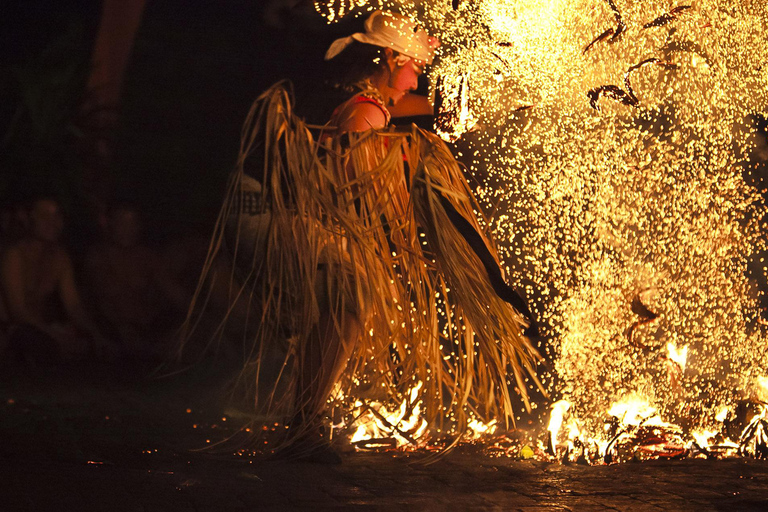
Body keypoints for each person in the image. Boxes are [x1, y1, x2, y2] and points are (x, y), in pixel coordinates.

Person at [182, 10, 541, 463]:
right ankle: (303, 425)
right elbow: (351, 188)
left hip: (265, 204)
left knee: (343, 294)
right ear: (391, 58)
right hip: (264, 208)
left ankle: (300, 411)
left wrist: (502, 96)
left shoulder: (370, 100)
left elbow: (424, 111)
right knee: (349, 288)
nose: (418, 78)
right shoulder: (365, 111)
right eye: (414, 67)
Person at [0, 195, 108, 364]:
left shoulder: (60, 257)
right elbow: (17, 311)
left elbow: (73, 305)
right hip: (13, 327)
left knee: (88, 343)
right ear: (28, 218)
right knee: (44, 345)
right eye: (44, 216)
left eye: (57, 215)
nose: (52, 222)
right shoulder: (14, 255)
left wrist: (96, 335)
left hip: (42, 327)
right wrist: (56, 335)